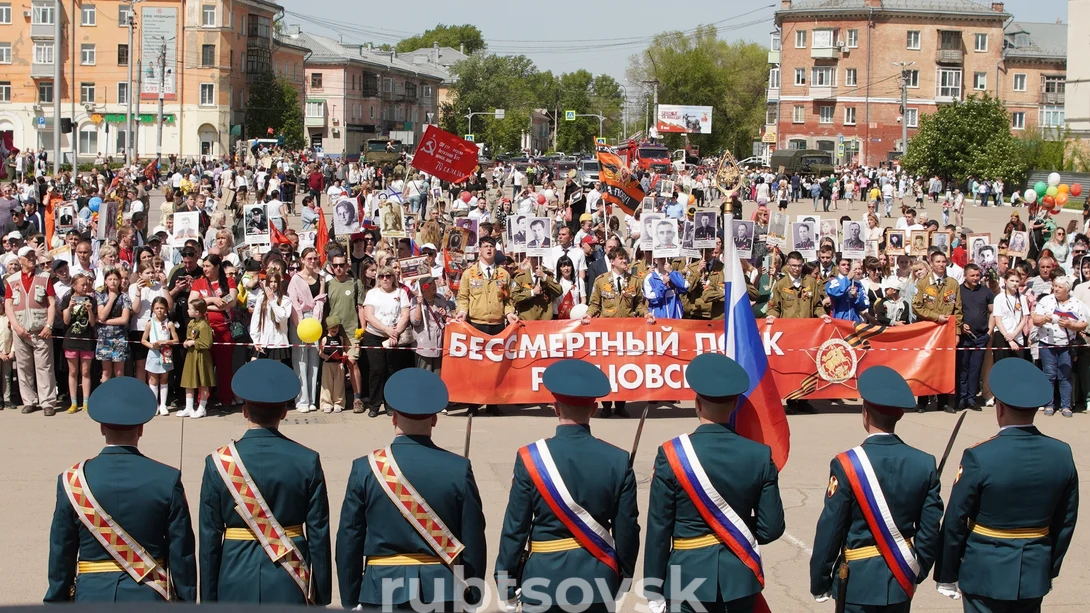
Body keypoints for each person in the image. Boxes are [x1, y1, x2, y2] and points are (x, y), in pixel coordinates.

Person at [495, 359, 640, 613]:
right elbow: (627, 529)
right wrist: (623, 577)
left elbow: (515, 528)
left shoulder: (530, 458)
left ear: (555, 408)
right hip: (598, 579)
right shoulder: (617, 459)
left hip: (542, 580)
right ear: (594, 409)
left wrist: (506, 583)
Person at [644, 353, 785, 613]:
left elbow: (659, 529)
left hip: (687, 577)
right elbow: (772, 528)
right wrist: (733, 531)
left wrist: (653, 589)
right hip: (740, 576)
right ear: (734, 406)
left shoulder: (671, 454)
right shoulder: (760, 455)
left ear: (697, 404)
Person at [934, 358, 1079, 610]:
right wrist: (1049, 568)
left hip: (984, 572)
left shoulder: (979, 456)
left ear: (999, 408)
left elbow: (956, 519)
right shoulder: (1061, 453)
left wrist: (947, 574)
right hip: (1033, 571)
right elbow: (1065, 520)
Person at [336, 368, 486, 611]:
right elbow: (474, 539)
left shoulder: (364, 468)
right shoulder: (458, 468)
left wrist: (351, 596)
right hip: (442, 590)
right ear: (435, 419)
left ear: (393, 418)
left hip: (380, 589)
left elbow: (350, 540)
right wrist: (471, 592)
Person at [45, 377, 197, 602]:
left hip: (91, 597)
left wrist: (55, 603)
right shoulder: (167, 479)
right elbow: (181, 552)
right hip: (148, 596)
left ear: (101, 428)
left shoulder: (72, 480)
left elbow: (61, 553)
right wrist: (185, 601)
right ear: (142, 429)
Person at [809, 366, 943, 612]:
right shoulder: (925, 463)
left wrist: (819, 580)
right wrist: (916, 568)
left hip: (857, 581)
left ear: (865, 413)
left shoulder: (846, 464)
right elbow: (930, 528)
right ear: (900, 414)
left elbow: (831, 527)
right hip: (901, 577)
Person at [199, 360, 332, 605]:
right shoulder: (307, 460)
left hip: (234, 577)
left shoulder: (218, 463)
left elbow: (209, 539)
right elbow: (318, 534)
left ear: (244, 411)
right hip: (290, 577)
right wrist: (321, 594)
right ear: (284, 412)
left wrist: (208, 598)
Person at [584, 247, 654, 418]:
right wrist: (588, 314)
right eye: (621, 258)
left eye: (626, 258)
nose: (625, 261)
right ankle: (606, 405)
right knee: (607, 368)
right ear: (613, 261)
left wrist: (646, 313)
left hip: (627, 331)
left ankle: (621, 405)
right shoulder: (601, 281)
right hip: (606, 331)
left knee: (624, 367)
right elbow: (595, 304)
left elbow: (638, 304)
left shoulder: (634, 281)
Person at [454, 236, 518, 416]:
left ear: (496, 251)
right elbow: (463, 297)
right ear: (479, 250)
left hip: (497, 325)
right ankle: (474, 404)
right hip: (476, 324)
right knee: (476, 367)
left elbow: (508, 299)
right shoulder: (470, 273)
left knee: (495, 367)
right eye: (485, 246)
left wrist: (509, 313)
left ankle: (492, 403)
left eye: (492, 246)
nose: (489, 249)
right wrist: (462, 312)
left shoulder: (503, 274)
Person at [6, 245, 56, 415]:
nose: (32, 258)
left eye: (33, 255)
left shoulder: (45, 276)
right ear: (20, 260)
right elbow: (8, 305)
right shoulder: (12, 280)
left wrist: (49, 324)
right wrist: (16, 326)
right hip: (20, 329)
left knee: (45, 367)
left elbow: (51, 303)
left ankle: (47, 402)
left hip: (40, 329)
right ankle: (29, 400)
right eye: (28, 256)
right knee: (23, 366)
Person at [1030, 275, 1089, 417]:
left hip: (1066, 345)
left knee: (1065, 376)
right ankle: (1048, 404)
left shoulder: (1076, 303)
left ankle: (1066, 406)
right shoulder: (1046, 300)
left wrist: (1071, 325)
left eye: (1060, 287)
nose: (1056, 289)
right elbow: (1035, 319)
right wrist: (1045, 318)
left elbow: (1083, 323)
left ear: (1067, 290)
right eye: (1055, 286)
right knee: (1049, 374)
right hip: (1047, 343)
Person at [912, 252, 962, 413]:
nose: (941, 264)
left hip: (947, 331)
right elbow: (917, 306)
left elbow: (958, 310)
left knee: (944, 366)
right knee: (925, 364)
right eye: (938, 262)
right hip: (928, 330)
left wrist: (957, 333)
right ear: (931, 264)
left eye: (943, 262)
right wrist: (936, 316)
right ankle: (922, 401)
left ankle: (943, 402)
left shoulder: (953, 284)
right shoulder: (923, 284)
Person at [360, 265, 412, 418]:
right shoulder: (372, 293)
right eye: (382, 276)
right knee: (377, 370)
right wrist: (386, 329)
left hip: (394, 336)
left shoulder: (401, 293)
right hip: (374, 334)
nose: (385, 279)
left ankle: (390, 404)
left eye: (388, 276)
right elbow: (369, 315)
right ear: (378, 278)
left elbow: (405, 315)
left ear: (393, 277)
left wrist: (395, 332)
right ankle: (374, 405)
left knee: (391, 369)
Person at [956, 263, 993, 412]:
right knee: (963, 368)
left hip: (981, 337)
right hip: (964, 338)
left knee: (975, 369)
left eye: (977, 275)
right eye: (972, 275)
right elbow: (954, 311)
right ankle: (961, 398)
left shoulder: (986, 291)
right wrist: (960, 325)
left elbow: (993, 312)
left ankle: (972, 399)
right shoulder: (958, 291)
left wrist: (989, 332)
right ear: (965, 275)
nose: (975, 278)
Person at [141, 296, 177, 415]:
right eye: (157, 308)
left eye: (162, 308)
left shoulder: (169, 323)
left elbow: (176, 339)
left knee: (164, 378)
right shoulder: (150, 323)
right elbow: (143, 340)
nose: (160, 310)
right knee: (153, 379)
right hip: (153, 353)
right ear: (153, 309)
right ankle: (154, 404)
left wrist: (166, 342)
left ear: (166, 309)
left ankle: (163, 404)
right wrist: (152, 346)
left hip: (165, 354)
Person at [512, 256, 563, 321]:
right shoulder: (521, 277)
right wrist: (532, 292)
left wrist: (544, 277)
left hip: (545, 320)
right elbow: (514, 298)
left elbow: (559, 291)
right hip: (528, 321)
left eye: (540, 258)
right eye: (535, 258)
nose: (538, 260)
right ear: (529, 259)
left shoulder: (548, 275)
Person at [826, 256, 870, 323]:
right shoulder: (833, 282)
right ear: (837, 267)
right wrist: (847, 279)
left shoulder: (857, 283)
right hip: (839, 322)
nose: (846, 267)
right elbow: (833, 293)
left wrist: (857, 296)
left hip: (854, 323)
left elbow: (865, 304)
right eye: (843, 265)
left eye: (848, 265)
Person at [318, 316, 348, 413]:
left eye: (336, 327)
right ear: (328, 328)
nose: (335, 329)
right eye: (332, 327)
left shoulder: (340, 338)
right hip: (328, 364)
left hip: (339, 364)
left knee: (339, 385)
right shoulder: (324, 339)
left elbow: (342, 350)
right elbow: (320, 353)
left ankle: (338, 403)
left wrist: (344, 356)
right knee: (327, 384)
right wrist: (325, 356)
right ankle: (326, 403)